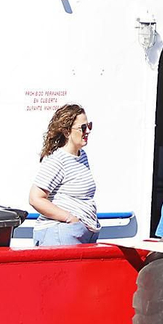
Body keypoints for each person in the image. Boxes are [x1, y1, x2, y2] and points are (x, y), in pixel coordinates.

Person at [29, 104, 100, 247]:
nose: (88, 132)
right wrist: (70, 219)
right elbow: (35, 198)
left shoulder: (82, 156)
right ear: (67, 132)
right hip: (61, 233)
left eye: (89, 126)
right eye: (83, 128)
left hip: (83, 233)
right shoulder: (58, 160)